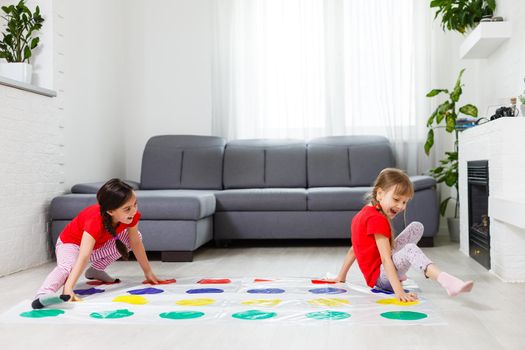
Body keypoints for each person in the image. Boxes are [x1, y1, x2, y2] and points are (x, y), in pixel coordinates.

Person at [332, 168, 473, 302]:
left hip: (383, 273)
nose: (401, 206)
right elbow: (386, 260)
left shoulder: (364, 213)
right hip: (381, 279)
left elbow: (354, 249)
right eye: (396, 199)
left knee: (416, 227)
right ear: (379, 194)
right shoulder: (377, 219)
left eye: (405, 202)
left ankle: (401, 272)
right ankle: (446, 280)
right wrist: (399, 291)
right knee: (410, 248)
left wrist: (341, 276)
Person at [32, 178, 160, 309]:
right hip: (70, 245)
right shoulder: (94, 219)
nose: (134, 211)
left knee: (135, 236)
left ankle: (96, 270)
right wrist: (68, 288)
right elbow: (84, 255)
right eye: (127, 208)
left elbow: (135, 242)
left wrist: (148, 271)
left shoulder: (132, 216)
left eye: (135, 204)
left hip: (96, 248)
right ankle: (43, 294)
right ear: (110, 211)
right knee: (67, 267)